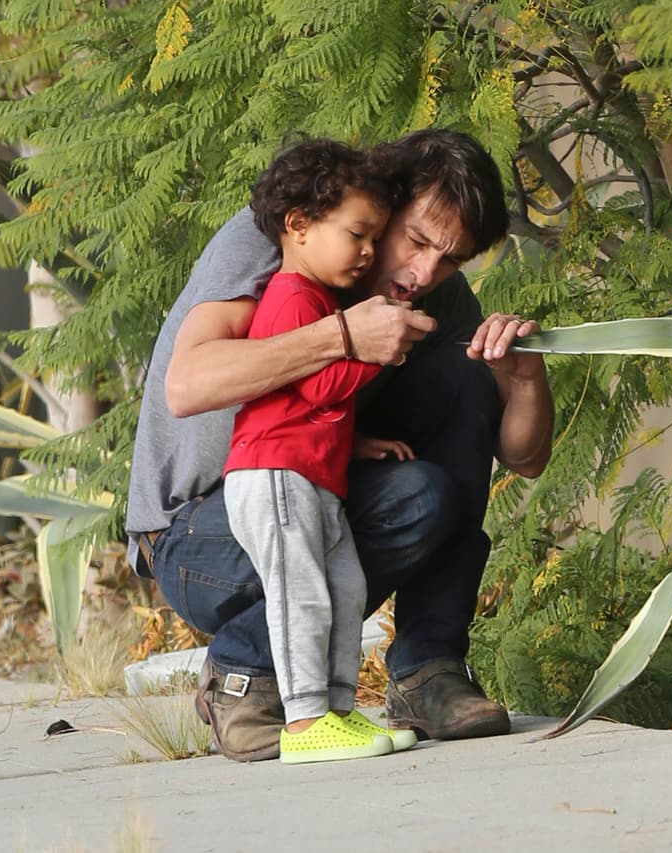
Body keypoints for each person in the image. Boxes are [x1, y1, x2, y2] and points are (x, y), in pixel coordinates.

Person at [127, 128, 554, 762]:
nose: (425, 273)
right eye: (416, 241)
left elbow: (525, 458)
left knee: (463, 381)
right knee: (417, 498)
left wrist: (524, 379)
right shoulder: (278, 237)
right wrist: (342, 336)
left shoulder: (432, 291)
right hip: (196, 538)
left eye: (451, 259)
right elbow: (187, 385)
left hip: (310, 498)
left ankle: (429, 670)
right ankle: (244, 676)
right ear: (383, 204)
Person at [223, 138, 418, 764]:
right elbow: (318, 385)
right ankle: (305, 720)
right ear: (299, 225)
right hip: (274, 476)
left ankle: (337, 709)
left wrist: (353, 443)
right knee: (300, 592)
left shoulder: (319, 301)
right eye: (357, 234)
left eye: (375, 239)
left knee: (347, 589)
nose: (368, 252)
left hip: (309, 474)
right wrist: (378, 352)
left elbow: (302, 405)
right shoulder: (293, 296)